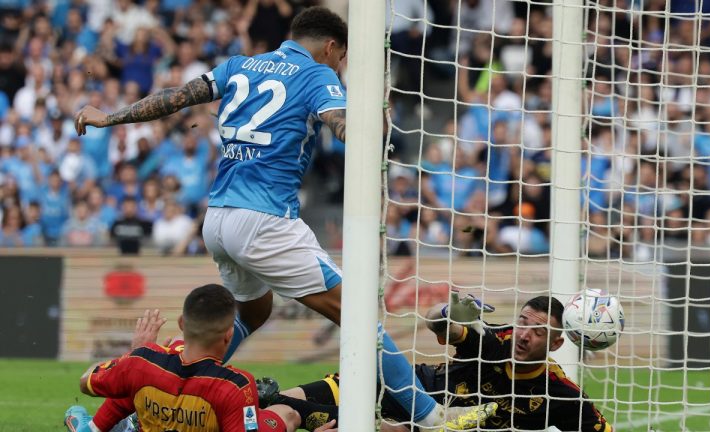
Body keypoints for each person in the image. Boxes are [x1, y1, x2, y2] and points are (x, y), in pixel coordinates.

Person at [73, 7, 488, 428]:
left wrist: (110, 117)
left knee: (253, 312)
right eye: (341, 58)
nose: (338, 66)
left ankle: (158, 402)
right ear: (331, 47)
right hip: (265, 221)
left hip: (217, 219)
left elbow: (177, 96)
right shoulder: (317, 75)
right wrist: (368, 130)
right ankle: (431, 417)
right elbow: (339, 123)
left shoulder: (240, 65)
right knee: (359, 314)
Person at [261, 295, 612, 431]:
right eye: (523, 322)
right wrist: (447, 311)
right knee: (277, 410)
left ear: (556, 343)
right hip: (408, 385)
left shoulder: (561, 394)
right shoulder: (496, 341)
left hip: (427, 426)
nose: (524, 335)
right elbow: (438, 324)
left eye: (538, 331)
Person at [64, 284, 311, 432]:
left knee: (140, 376)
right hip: (219, 399)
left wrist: (133, 354)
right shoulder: (236, 384)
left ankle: (98, 427)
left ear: (182, 323)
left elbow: (86, 380)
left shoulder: (142, 359)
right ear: (229, 334)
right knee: (287, 413)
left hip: (153, 388)